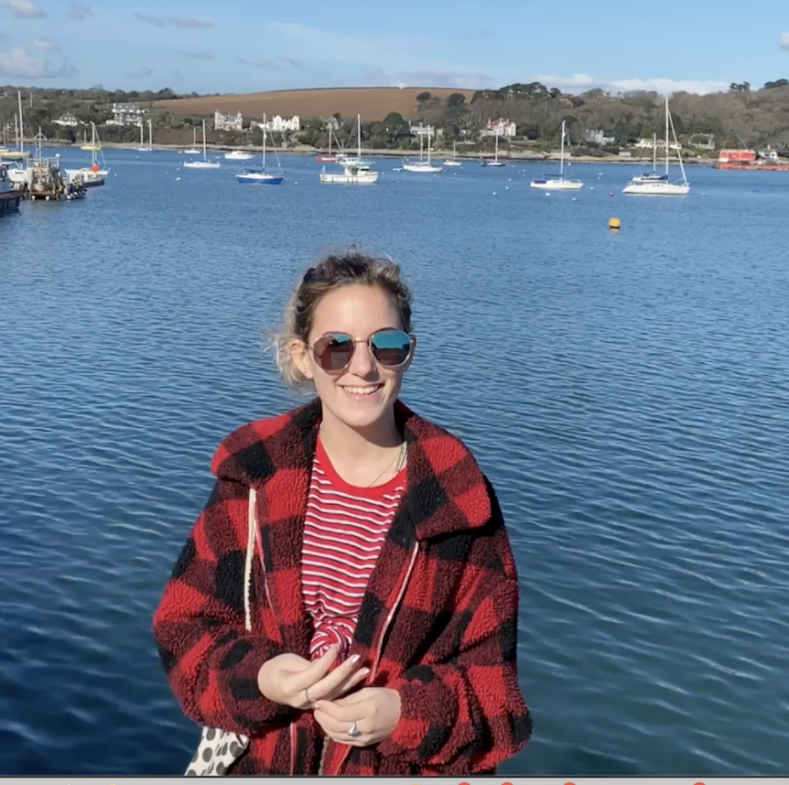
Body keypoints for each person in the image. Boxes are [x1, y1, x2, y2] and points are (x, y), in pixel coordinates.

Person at [153, 249, 532, 776]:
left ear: (409, 353)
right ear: (303, 357)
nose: (362, 366)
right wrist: (262, 677)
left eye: (387, 344)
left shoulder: (456, 501)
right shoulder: (253, 481)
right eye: (336, 347)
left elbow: (497, 701)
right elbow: (184, 629)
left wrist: (404, 713)